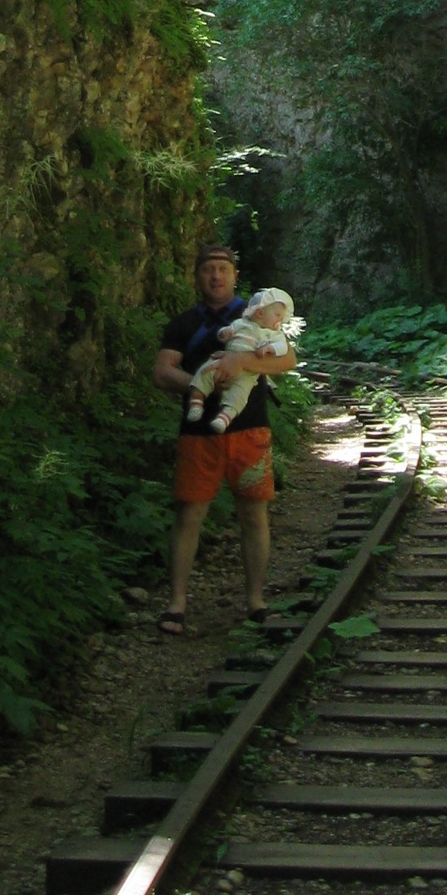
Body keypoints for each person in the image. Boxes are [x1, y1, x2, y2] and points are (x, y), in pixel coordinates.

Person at [153, 240, 298, 635]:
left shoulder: (259, 316)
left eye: (223, 269)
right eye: (207, 270)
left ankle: (256, 601)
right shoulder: (183, 323)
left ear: (235, 276)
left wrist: (240, 362)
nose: (215, 276)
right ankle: (177, 605)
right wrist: (204, 386)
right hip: (198, 434)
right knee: (189, 515)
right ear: (197, 276)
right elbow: (163, 371)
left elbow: (287, 359)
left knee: (254, 514)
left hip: (250, 431)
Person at [184, 287, 300, 431]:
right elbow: (230, 330)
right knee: (204, 372)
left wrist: (269, 349)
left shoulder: (274, 334)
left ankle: (225, 417)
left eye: (282, 317)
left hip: (248, 376)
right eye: (277, 315)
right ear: (259, 312)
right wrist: (225, 333)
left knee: (240, 393)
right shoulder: (243, 322)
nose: (280, 320)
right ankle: (196, 403)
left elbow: (285, 352)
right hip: (222, 362)